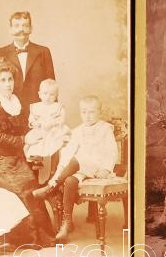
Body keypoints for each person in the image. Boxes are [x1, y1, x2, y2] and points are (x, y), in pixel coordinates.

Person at [0, 60, 56, 247]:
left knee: (30, 183)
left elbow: (21, 127)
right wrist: (24, 140)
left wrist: (34, 129)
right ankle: (26, 239)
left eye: (10, 79)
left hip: (13, 155)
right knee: (20, 186)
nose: (8, 84)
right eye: (3, 80)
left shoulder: (15, 101)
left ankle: (43, 235)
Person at [33, 95, 118, 242]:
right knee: (70, 180)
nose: (87, 116)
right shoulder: (78, 131)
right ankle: (66, 223)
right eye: (84, 112)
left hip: (97, 167)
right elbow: (68, 154)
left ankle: (50, 188)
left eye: (91, 112)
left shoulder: (105, 129)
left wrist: (106, 169)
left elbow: (112, 152)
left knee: (77, 159)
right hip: (81, 168)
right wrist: (59, 171)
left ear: (100, 112)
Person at [23, 78, 70, 182]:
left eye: (51, 94)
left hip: (54, 131)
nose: (48, 97)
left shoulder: (58, 107)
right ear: (40, 94)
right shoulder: (36, 107)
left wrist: (53, 123)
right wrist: (34, 123)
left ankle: (52, 168)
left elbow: (61, 120)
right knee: (33, 142)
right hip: (40, 130)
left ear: (56, 96)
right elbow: (31, 118)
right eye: (45, 93)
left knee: (53, 144)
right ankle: (37, 160)